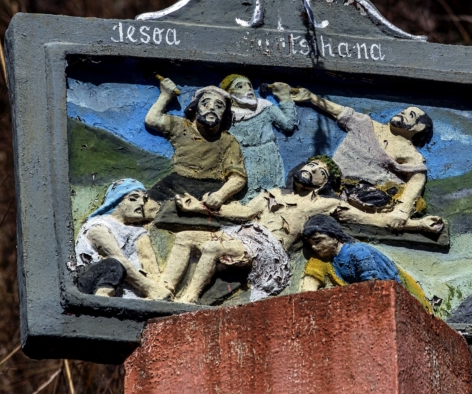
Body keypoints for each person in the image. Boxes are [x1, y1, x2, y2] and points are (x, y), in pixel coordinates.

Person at [159, 155, 346, 304]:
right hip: (244, 235)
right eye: (311, 165)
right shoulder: (274, 193)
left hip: (268, 249)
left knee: (213, 247)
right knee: (185, 237)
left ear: (323, 183)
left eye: (321, 172)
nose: (312, 169)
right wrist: (199, 207)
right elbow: (244, 212)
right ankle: (164, 289)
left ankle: (190, 298)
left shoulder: (321, 204)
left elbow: (356, 215)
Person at [291, 88, 442, 232]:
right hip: (330, 183)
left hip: (367, 197)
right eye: (405, 110)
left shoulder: (410, 154)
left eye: (411, 115)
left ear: (419, 127)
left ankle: (413, 224)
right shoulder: (365, 123)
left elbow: (417, 179)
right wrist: (311, 97)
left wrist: (402, 210)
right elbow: (339, 111)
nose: (403, 112)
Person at [145, 78, 247, 222]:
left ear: (224, 114)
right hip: (175, 184)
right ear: (195, 108)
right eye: (205, 103)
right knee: (148, 206)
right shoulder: (181, 126)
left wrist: (220, 195)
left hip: (209, 188)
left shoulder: (228, 141)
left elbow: (238, 177)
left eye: (219, 106)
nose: (212, 108)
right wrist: (165, 95)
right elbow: (152, 120)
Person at [300, 214, 433, 313]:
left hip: (391, 299)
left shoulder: (358, 252)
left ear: (335, 236)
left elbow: (372, 285)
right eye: (311, 244)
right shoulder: (329, 259)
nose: (314, 247)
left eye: (318, 241)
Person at [74, 179, 171, 300]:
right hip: (91, 286)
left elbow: (150, 264)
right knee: (114, 264)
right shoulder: (97, 226)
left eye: (144, 199)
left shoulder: (138, 231)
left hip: (132, 295)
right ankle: (103, 299)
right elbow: (118, 258)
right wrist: (151, 288)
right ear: (116, 201)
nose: (141, 203)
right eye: (133, 198)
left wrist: (159, 288)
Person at [220, 74, 296, 201]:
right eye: (240, 87)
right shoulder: (226, 117)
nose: (249, 89)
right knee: (246, 199)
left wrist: (285, 97)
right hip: (243, 163)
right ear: (229, 94)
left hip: (270, 160)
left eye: (249, 85)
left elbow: (288, 125)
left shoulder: (265, 107)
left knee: (273, 198)